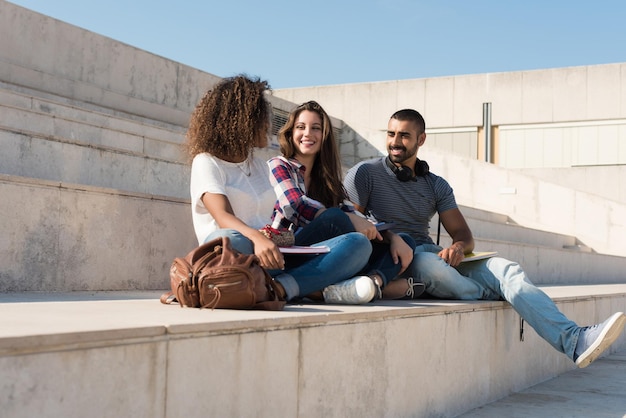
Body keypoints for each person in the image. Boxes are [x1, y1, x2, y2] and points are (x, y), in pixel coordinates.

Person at [344, 108, 626, 368]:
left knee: (506, 268)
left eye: (404, 135)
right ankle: (492, 292)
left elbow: (464, 234)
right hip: (400, 258)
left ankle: (574, 341)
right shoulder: (365, 174)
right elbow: (352, 226)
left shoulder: (436, 185)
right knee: (429, 266)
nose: (395, 141)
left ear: (421, 139)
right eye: (391, 133)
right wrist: (390, 237)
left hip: (431, 253)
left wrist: (457, 247)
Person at [185, 75, 374, 305]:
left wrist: (280, 240)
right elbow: (222, 216)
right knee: (229, 238)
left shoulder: (258, 164)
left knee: (358, 243)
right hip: (235, 255)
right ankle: (309, 287)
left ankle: (279, 288)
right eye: (262, 116)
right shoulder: (207, 161)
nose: (268, 122)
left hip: (273, 254)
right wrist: (258, 239)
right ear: (241, 120)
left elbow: (279, 216)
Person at [268, 100, 424, 302]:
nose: (307, 133)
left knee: (404, 240)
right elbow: (294, 205)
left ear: (324, 136)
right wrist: (348, 219)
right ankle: (290, 286)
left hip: (326, 254)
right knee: (337, 219)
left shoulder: (329, 179)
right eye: (301, 127)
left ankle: (372, 284)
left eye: (316, 128)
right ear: (290, 133)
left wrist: (391, 237)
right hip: (290, 253)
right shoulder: (279, 164)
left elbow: (355, 216)